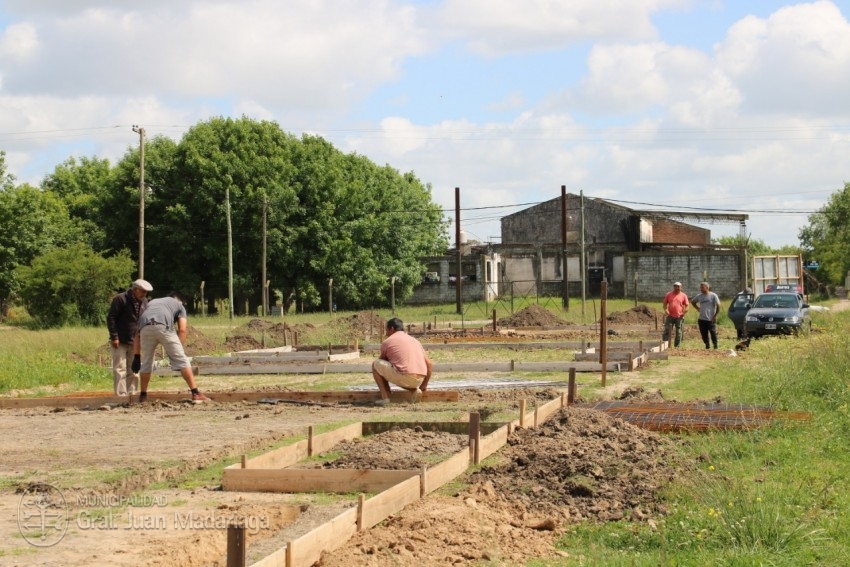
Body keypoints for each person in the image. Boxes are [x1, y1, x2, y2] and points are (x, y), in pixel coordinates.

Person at [132, 291, 209, 403]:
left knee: (146, 363)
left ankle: (143, 396)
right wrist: (178, 351)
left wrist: (137, 356)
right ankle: (195, 393)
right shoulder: (179, 305)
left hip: (145, 328)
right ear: (180, 301)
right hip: (163, 326)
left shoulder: (152, 303)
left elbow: (136, 335)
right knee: (182, 360)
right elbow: (182, 330)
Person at [372, 317, 433, 406]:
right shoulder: (415, 341)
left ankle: (385, 398)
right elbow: (429, 365)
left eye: (387, 330)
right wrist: (424, 384)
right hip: (419, 379)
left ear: (392, 329)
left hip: (405, 376)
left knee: (376, 365)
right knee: (402, 372)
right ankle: (414, 391)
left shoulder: (388, 341)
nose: (386, 334)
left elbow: (381, 364)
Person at [106, 279, 152, 396]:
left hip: (136, 340)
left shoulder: (145, 302)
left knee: (134, 369)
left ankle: (132, 393)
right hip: (120, 339)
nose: (144, 294)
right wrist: (114, 336)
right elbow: (111, 318)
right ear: (135, 289)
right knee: (120, 368)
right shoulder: (120, 299)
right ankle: (121, 395)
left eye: (146, 292)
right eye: (142, 291)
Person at [690, 282, 720, 349]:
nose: (701, 289)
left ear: (707, 287)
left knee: (713, 333)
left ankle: (715, 345)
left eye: (702, 287)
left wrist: (715, 316)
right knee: (704, 334)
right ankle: (707, 345)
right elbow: (693, 302)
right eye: (700, 287)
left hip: (711, 319)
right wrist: (698, 308)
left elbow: (718, 306)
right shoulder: (699, 296)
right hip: (702, 319)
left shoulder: (713, 295)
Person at [662, 281, 689, 348]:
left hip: (679, 316)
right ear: (673, 287)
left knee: (679, 332)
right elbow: (665, 304)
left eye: (678, 286)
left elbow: (687, 305)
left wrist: (684, 313)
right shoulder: (669, 294)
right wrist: (666, 310)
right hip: (670, 316)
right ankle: (665, 345)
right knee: (667, 330)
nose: (677, 288)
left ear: (681, 287)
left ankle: (677, 346)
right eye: (675, 286)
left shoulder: (683, 295)